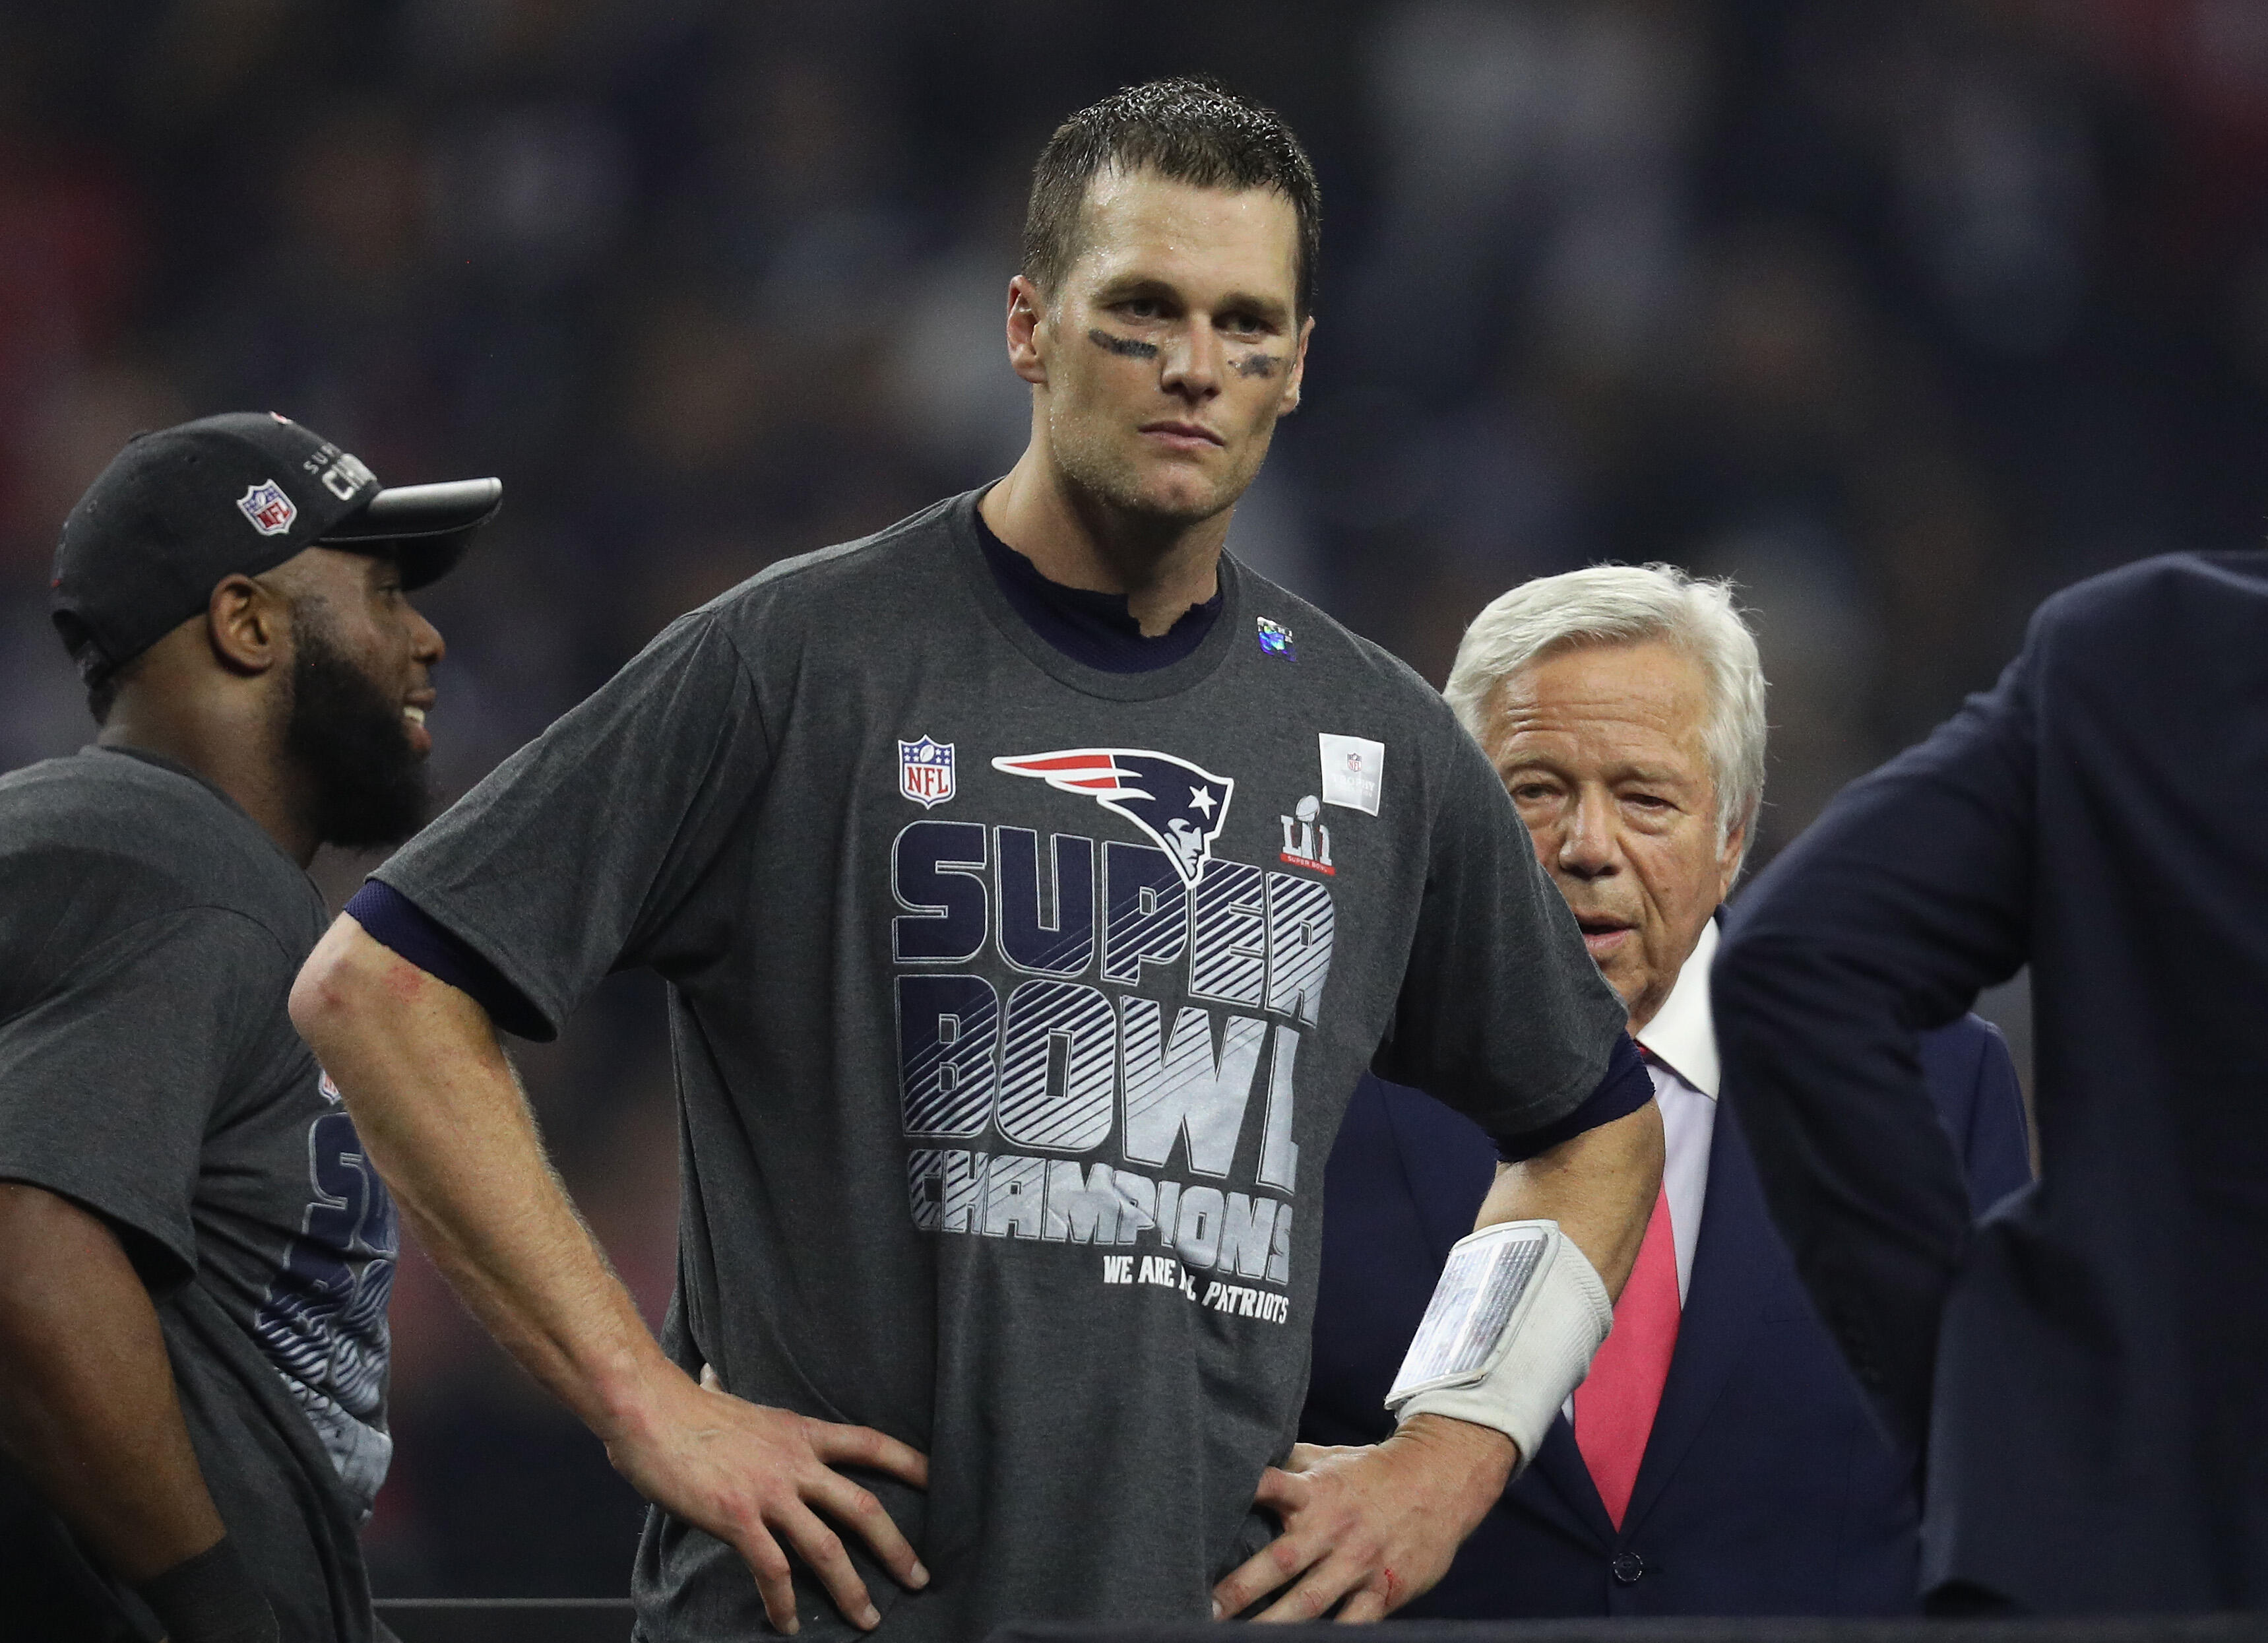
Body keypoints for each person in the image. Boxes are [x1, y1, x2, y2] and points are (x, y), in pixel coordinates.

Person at [288, 79, 1664, 1640]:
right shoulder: (801, 661)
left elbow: (1596, 1128)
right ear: (1027, 327)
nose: (1195, 366)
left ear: (1296, 368)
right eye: (1142, 311)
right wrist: (640, 1400)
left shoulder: (1378, 738)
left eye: (1245, 326)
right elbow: (380, 989)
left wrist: (1457, 1449)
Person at [1302, 564, 2034, 1617]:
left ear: (1730, 837)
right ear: (1452, 824)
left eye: (1644, 798)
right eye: (1532, 792)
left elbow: (1997, 1478)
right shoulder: (1324, 1073)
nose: (1586, 847)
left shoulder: (1936, 1080)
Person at [0, 413, 497, 1642]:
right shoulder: (169, 862)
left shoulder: (183, 866)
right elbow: (31, 1259)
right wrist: (223, 1614)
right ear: (248, 623)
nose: (426, 638)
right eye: (382, 593)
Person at [1712, 550, 2268, 1615]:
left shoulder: (2153, 659)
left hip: (2135, 1536)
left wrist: (2003, 1413)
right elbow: (1799, 971)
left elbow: (1797, 964)